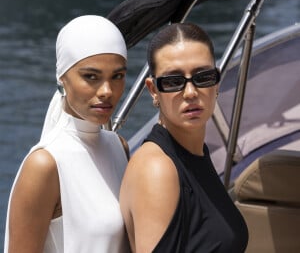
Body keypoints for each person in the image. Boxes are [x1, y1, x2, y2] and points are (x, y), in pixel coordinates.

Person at [4, 15, 131, 253]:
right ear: (62, 76)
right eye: (91, 77)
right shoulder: (45, 165)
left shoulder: (119, 147)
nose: (107, 91)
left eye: (117, 76)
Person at [120, 23, 249, 252]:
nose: (190, 92)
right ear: (153, 90)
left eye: (203, 76)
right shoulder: (157, 169)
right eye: (173, 82)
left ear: (216, 82)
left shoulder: (195, 152)